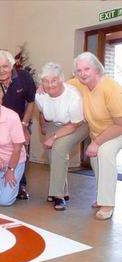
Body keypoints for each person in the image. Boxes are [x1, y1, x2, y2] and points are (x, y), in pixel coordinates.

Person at [68, 52, 122, 220]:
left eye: (87, 69)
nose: (83, 73)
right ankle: (101, 197)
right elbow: (62, 85)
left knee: (104, 152)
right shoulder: (81, 83)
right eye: (79, 70)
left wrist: (96, 142)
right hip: (99, 131)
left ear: (97, 69)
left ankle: (108, 204)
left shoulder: (111, 89)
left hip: (117, 130)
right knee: (95, 160)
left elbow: (120, 124)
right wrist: (43, 86)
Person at [0, 50, 36, 200]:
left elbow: (31, 102)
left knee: (21, 151)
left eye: (5, 66)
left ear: (11, 65)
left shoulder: (24, 77)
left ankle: (21, 186)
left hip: (20, 121)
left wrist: (24, 125)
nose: (1, 71)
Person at [36, 62, 89, 211]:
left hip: (78, 124)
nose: (50, 84)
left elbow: (73, 125)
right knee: (53, 155)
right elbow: (42, 113)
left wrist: (53, 138)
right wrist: (44, 128)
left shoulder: (73, 96)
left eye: (54, 80)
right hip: (55, 122)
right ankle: (62, 191)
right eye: (45, 81)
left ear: (61, 80)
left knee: (59, 147)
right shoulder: (40, 94)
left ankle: (57, 195)